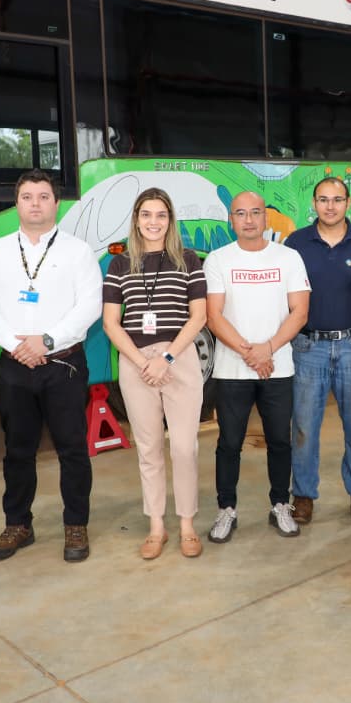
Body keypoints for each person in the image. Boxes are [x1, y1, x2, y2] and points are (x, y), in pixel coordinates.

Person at [0, 169, 102, 563]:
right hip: (13, 367)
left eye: (43, 197)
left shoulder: (78, 251)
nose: (35, 204)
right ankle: (18, 524)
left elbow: (89, 306)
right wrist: (17, 346)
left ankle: (75, 524)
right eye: (27, 197)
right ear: (17, 203)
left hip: (64, 366)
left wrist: (45, 341)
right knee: (17, 450)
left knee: (73, 449)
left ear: (55, 203)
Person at [102, 188, 208, 560]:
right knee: (148, 449)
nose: (153, 222)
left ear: (170, 220)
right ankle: (156, 526)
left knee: (183, 447)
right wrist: (140, 360)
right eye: (146, 214)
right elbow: (111, 323)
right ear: (136, 219)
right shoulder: (119, 264)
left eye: (160, 215)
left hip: (178, 357)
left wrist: (165, 357)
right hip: (135, 363)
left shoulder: (188, 260)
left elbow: (199, 316)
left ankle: (187, 524)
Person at [203, 191, 310, 543]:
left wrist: (268, 349)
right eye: (240, 213)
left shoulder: (289, 257)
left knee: (280, 440)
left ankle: (280, 503)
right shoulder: (218, 260)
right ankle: (226, 509)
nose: (248, 220)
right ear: (230, 220)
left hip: (278, 368)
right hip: (232, 370)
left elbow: (300, 312)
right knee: (229, 442)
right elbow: (214, 316)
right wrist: (251, 352)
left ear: (266, 218)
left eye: (255, 213)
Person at [284, 177, 351, 525]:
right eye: (323, 200)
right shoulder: (296, 244)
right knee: (304, 426)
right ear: (314, 203)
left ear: (348, 202)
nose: (330, 206)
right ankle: (304, 495)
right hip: (309, 346)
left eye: (337, 200)